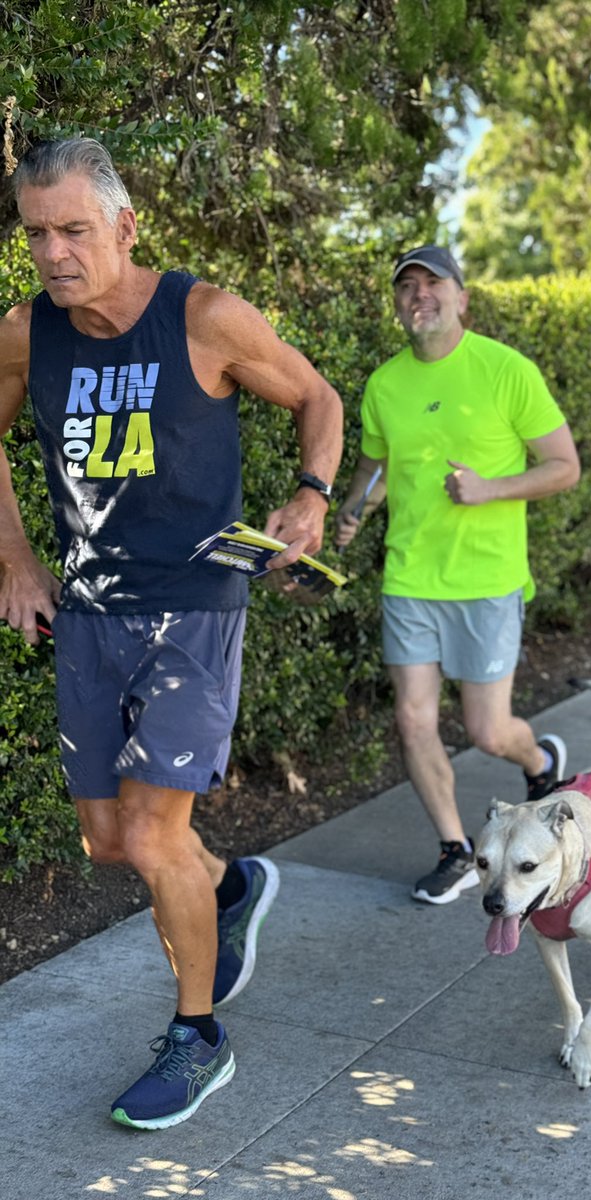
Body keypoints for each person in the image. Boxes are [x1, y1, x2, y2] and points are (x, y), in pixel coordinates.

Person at [0, 138, 343, 1127]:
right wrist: (17, 561)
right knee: (111, 842)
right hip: (91, 610)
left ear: (124, 225)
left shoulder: (200, 318)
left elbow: (316, 394)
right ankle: (230, 888)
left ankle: (197, 1037)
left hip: (197, 603)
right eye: (36, 235)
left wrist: (312, 497)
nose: (56, 253)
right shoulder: (28, 333)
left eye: (74, 229)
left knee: (155, 835)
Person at [335, 244, 581, 903]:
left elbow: (564, 466)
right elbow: (378, 467)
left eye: (433, 283)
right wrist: (354, 510)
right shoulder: (386, 385)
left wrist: (492, 488)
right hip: (410, 580)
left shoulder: (506, 371)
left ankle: (540, 761)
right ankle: (454, 850)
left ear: (462, 297)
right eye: (406, 286)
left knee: (487, 732)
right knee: (413, 720)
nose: (420, 294)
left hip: (487, 581)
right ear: (396, 304)